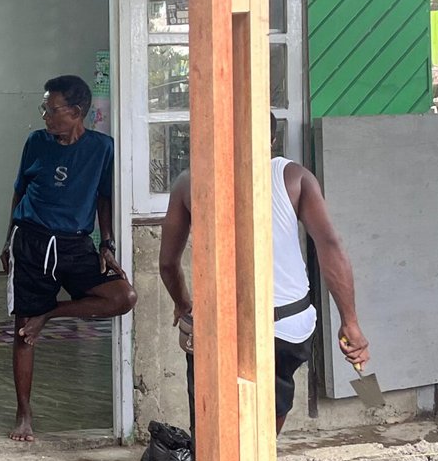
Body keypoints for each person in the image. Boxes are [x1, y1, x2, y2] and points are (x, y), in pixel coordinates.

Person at [158, 118, 370, 441]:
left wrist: (183, 303)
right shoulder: (293, 177)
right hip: (287, 325)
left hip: (218, 328)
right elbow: (330, 246)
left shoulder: (188, 183)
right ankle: (261, 452)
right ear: (271, 141)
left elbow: (167, 264)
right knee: (269, 413)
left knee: (212, 422)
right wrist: (350, 322)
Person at [0, 75, 137, 442]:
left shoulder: (102, 148)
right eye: (44, 109)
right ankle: (24, 412)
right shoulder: (36, 142)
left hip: (76, 244)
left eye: (51, 109)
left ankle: (48, 314)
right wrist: (7, 241)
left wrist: (107, 243)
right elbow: (20, 192)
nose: (45, 115)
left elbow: (104, 197)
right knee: (24, 331)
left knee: (123, 297)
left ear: (76, 112)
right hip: (31, 241)